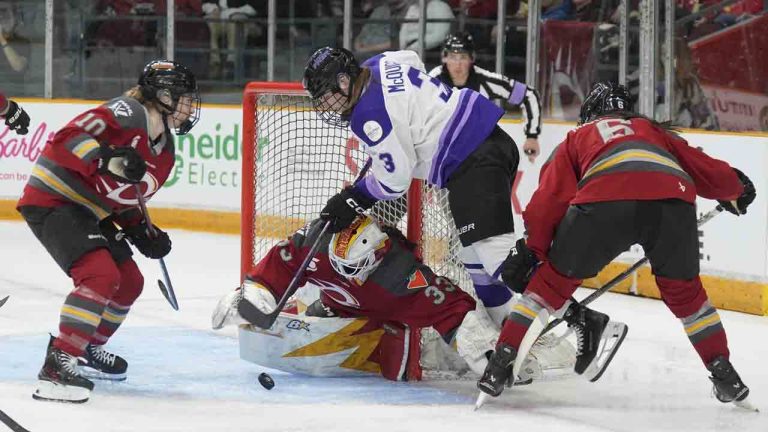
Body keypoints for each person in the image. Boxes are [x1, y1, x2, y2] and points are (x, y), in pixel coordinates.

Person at [478, 82, 756, 410]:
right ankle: (724, 373)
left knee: (547, 286)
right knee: (689, 297)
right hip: (672, 204)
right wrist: (735, 189)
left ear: (591, 112)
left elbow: (549, 200)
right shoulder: (652, 130)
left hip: (604, 201)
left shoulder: (577, 137)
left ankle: (498, 368)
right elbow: (703, 167)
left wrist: (535, 249)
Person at [17, 60, 201, 404]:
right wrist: (104, 157)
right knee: (99, 276)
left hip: (91, 212)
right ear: (163, 96)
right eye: (185, 97)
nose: (191, 106)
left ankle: (86, 348)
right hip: (55, 199)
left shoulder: (165, 153)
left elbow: (122, 197)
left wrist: (141, 230)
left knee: (130, 282)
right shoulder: (126, 112)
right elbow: (67, 137)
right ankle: (57, 366)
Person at [302, 47, 524, 329]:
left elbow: (394, 181)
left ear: (344, 82)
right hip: (482, 144)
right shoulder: (379, 63)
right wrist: (412, 112)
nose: (324, 106)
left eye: (325, 97)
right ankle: (508, 327)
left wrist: (353, 198)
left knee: (498, 261)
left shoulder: (367, 117)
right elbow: (412, 58)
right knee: (475, 259)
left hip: (472, 157)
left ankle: (570, 308)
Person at [213, 215, 579, 382]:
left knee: (436, 352)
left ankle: (531, 350)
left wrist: (487, 350)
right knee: (312, 307)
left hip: (394, 324)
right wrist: (251, 297)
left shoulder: (402, 275)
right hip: (341, 309)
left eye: (351, 268)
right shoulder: (316, 245)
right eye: (339, 265)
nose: (342, 271)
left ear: (374, 257)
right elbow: (274, 270)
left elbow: (453, 307)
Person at [428, 32, 542, 162]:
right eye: (453, 57)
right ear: (444, 58)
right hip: (440, 154)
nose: (457, 64)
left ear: (472, 58)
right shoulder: (432, 81)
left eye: (463, 57)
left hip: (476, 155)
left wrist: (532, 136)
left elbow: (529, 95)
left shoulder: (485, 80)